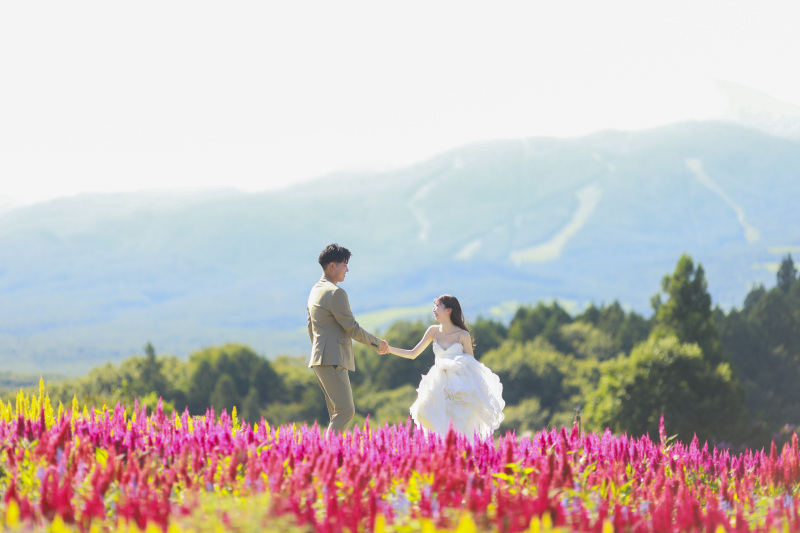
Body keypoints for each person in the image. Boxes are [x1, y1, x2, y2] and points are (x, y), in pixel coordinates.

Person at [386, 294, 505, 439]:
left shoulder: (463, 335)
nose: (433, 310)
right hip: (437, 382)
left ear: (449, 310)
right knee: (428, 415)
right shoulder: (433, 331)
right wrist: (388, 349)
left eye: (437, 306)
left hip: (459, 386)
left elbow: (471, 364)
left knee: (458, 422)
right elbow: (412, 353)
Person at [307, 243, 389, 434]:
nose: (347, 269)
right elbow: (352, 328)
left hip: (319, 359)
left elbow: (310, 327)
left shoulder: (315, 290)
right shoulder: (336, 293)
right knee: (346, 411)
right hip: (333, 359)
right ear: (332, 266)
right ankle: (329, 457)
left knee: (337, 413)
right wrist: (378, 343)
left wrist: (319, 351)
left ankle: (331, 456)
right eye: (344, 264)